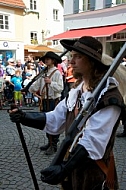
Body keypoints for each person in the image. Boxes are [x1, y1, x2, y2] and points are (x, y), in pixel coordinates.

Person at [9, 36, 124, 190]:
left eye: (78, 57)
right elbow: (55, 119)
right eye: (71, 56)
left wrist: (64, 168)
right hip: (74, 169)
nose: (71, 61)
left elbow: (92, 142)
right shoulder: (77, 91)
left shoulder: (109, 98)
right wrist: (24, 117)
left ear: (91, 61)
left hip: (94, 172)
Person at [29, 51, 63, 155]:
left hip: (53, 101)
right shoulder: (43, 73)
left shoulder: (57, 73)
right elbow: (36, 86)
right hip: (44, 101)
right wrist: (28, 88)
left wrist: (51, 83)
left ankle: (53, 145)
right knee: (47, 122)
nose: (46, 60)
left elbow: (60, 89)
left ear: (53, 60)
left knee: (53, 123)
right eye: (45, 59)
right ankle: (49, 142)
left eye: (48, 58)